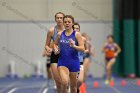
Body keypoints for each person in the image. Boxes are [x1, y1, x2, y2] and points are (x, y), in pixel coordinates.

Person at [53, 15, 84, 93]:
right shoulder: (60, 34)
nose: (67, 23)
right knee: (64, 82)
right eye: (65, 22)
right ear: (63, 23)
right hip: (62, 62)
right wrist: (56, 49)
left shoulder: (77, 35)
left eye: (69, 22)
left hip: (74, 62)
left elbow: (82, 48)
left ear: (72, 23)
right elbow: (54, 44)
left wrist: (74, 46)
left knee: (73, 87)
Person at [44, 12, 65, 93]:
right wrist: (48, 49)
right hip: (55, 56)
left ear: (64, 19)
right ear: (55, 19)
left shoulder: (69, 30)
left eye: (61, 18)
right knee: (58, 82)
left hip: (66, 57)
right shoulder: (51, 31)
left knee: (65, 81)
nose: (59, 19)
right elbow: (46, 45)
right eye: (57, 18)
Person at [73, 22, 85, 93]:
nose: (76, 30)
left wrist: (83, 51)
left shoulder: (83, 39)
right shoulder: (68, 38)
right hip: (70, 62)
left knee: (80, 80)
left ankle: (76, 89)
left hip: (80, 62)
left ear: (79, 30)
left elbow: (86, 49)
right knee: (71, 82)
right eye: (74, 28)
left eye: (77, 28)